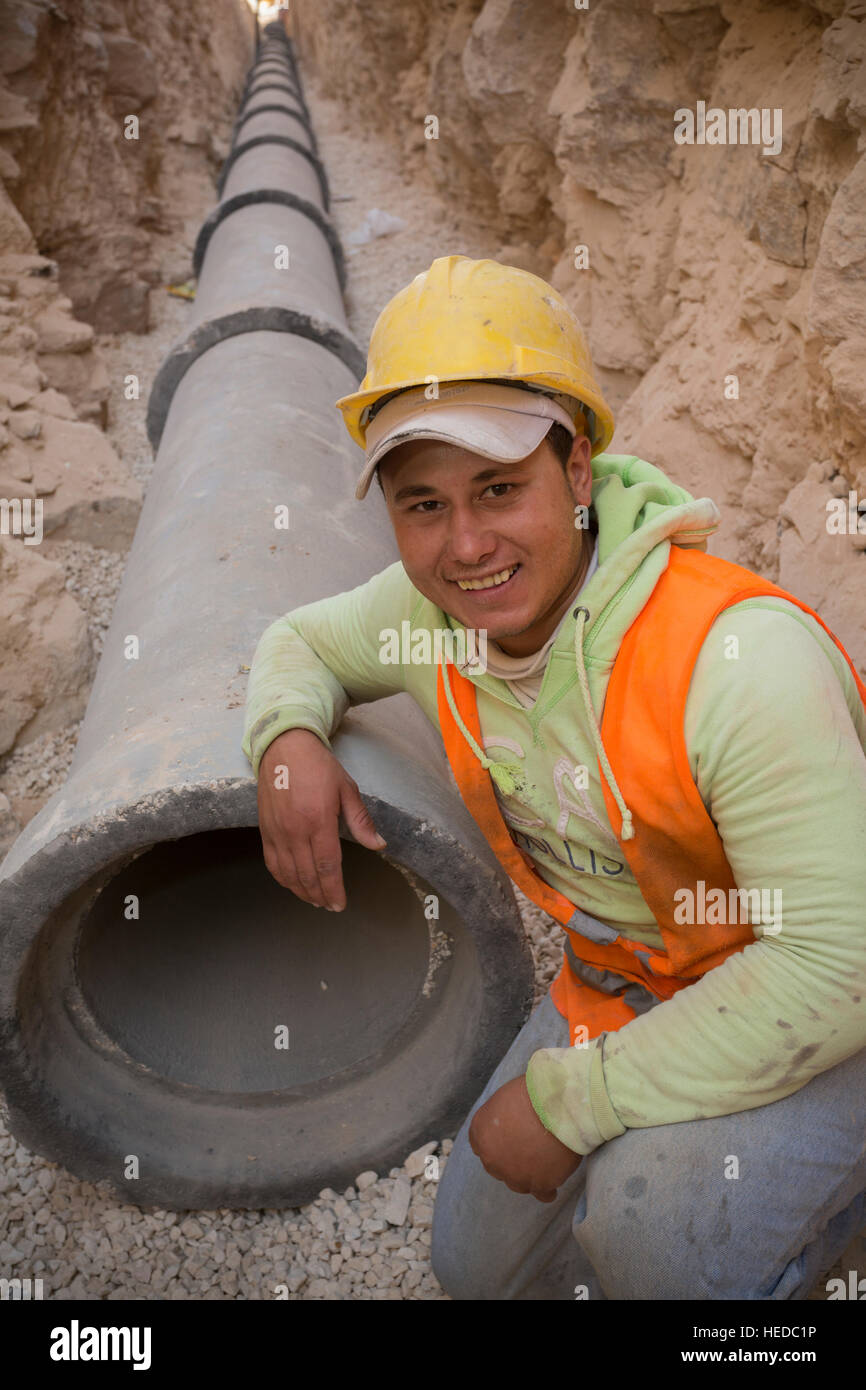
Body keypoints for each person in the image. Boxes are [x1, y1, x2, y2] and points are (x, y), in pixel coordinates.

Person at [241, 254, 866, 1300]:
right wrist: (283, 744)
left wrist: (571, 1101)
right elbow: (298, 640)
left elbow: (838, 961)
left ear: (576, 470)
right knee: (478, 1270)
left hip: (815, 993)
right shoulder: (424, 616)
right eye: (423, 505)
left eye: (498, 488)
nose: (466, 543)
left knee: (649, 1245)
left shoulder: (733, 660)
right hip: (628, 977)